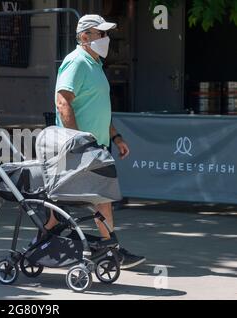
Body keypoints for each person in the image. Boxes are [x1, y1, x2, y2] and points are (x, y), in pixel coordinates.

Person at [52, 14, 146, 270]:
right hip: (79, 146)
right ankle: (111, 250)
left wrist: (115, 136)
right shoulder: (77, 62)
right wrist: (78, 140)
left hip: (95, 145)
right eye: (101, 33)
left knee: (86, 198)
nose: (106, 38)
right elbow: (63, 102)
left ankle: (47, 241)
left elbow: (98, 108)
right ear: (84, 37)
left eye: (106, 34)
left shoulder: (94, 65)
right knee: (95, 197)